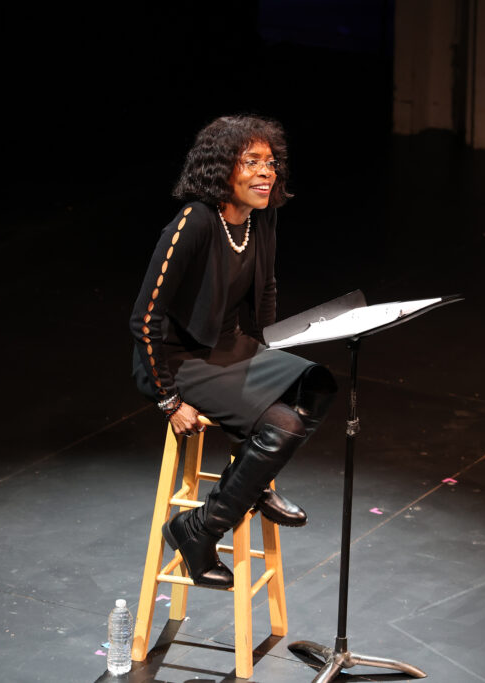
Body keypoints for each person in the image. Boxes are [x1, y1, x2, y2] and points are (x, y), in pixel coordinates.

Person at [130, 115, 336, 589]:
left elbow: (265, 293)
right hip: (179, 360)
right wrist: (168, 400)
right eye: (253, 162)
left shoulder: (261, 218)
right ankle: (200, 527)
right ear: (223, 169)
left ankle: (246, 482)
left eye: (271, 162)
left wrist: (272, 358)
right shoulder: (193, 223)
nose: (267, 173)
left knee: (316, 382)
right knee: (281, 425)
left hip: (230, 347)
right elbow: (145, 319)